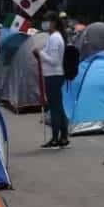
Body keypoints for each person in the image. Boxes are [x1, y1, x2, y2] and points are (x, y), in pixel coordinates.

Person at [35, 12, 69, 149]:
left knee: (55, 108)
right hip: (54, 75)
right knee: (58, 108)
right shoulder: (54, 37)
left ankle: (56, 138)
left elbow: (54, 61)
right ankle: (63, 137)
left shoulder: (55, 38)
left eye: (47, 21)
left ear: (53, 23)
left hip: (54, 76)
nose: (45, 24)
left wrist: (40, 53)